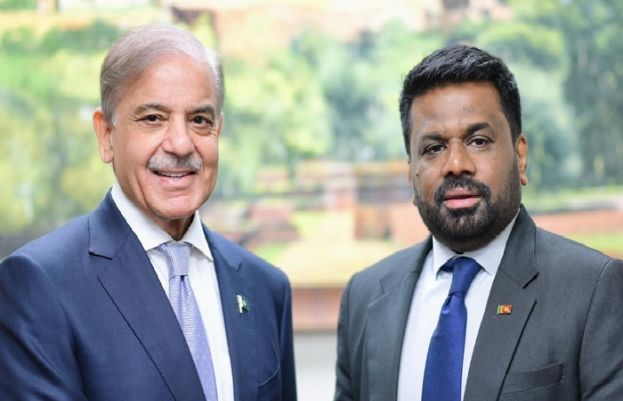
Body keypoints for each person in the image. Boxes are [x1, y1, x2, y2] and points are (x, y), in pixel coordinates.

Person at [0, 24, 296, 401]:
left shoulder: (265, 287)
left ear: (218, 130)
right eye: (153, 118)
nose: (180, 144)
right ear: (106, 136)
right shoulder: (40, 284)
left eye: (199, 120)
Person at [334, 44, 623, 401]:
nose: (456, 164)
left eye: (478, 141)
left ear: (520, 156)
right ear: (411, 174)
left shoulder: (593, 290)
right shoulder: (364, 296)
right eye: (434, 148)